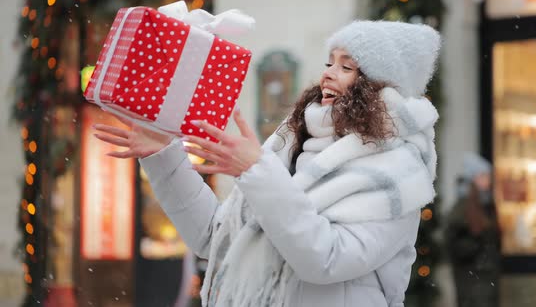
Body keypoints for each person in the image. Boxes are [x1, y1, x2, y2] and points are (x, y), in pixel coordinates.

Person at [93, 20, 441, 307]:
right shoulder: (290, 143)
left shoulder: (398, 171)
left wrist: (256, 171)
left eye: (347, 66)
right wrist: (164, 153)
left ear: (381, 86)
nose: (329, 74)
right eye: (329, 62)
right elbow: (216, 237)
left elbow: (326, 258)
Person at [444, 153, 500, 307]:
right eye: (483, 175)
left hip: (483, 277)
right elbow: (454, 243)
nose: (488, 179)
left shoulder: (486, 204)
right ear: (473, 178)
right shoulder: (463, 207)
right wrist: (479, 246)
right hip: (471, 277)